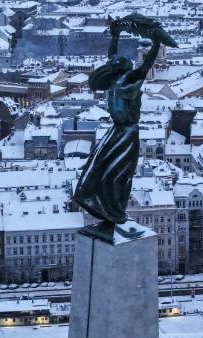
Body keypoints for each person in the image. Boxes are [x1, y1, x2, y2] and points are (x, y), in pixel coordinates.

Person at [73, 13, 177, 226]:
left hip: (120, 131)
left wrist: (116, 35)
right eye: (125, 61)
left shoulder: (117, 79)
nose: (128, 60)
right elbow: (144, 64)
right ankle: (112, 208)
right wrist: (154, 42)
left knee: (107, 168)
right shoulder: (127, 81)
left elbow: (119, 56)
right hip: (125, 132)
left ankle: (107, 205)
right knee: (115, 171)